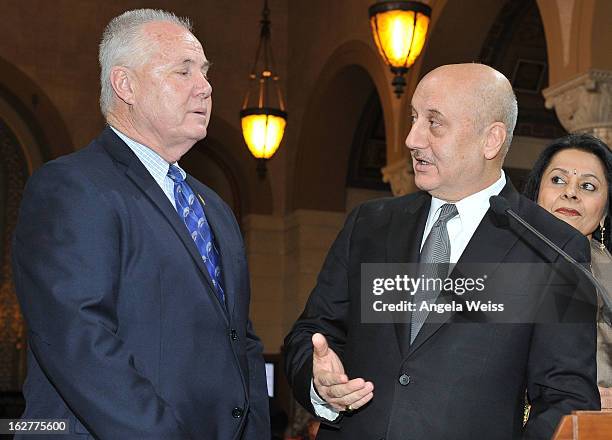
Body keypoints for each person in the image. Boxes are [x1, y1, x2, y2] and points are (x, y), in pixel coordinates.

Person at [283, 63, 600, 439]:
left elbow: (566, 397)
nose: (412, 139)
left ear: (491, 139)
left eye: (434, 123)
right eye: (414, 119)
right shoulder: (370, 224)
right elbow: (311, 332)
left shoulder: (550, 245)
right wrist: (320, 384)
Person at [12, 9, 269, 439]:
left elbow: (241, 341)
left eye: (204, 73)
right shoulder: (72, 187)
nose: (205, 88)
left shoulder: (214, 208)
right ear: (125, 85)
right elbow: (80, 341)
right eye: (183, 71)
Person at [523, 133, 612, 409]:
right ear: (536, 194)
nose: (570, 192)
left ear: (606, 210)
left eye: (587, 185)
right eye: (558, 180)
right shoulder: (499, 264)